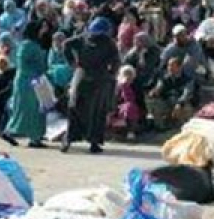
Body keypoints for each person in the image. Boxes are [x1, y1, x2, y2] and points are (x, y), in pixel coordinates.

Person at [62, 16, 120, 154]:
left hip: (99, 80)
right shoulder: (83, 38)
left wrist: (112, 73)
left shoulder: (108, 43)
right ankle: (70, 138)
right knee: (75, 108)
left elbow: (116, 60)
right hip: (85, 77)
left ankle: (94, 142)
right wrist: (72, 62)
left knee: (97, 112)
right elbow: (66, 45)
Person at [3, 21, 49, 148]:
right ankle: (34, 138)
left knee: (23, 108)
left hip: (26, 79)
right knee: (33, 109)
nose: (43, 31)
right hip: (30, 80)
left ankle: (11, 131)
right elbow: (31, 64)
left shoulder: (25, 44)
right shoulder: (30, 46)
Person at [147, 56, 195, 131]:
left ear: (179, 67)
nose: (169, 68)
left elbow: (187, 93)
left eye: (172, 65)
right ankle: (160, 126)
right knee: (153, 103)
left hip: (181, 103)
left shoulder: (187, 79)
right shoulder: (164, 78)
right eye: (169, 65)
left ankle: (183, 126)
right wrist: (154, 91)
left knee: (187, 109)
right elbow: (159, 87)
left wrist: (179, 103)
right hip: (167, 102)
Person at [124, 31, 161, 111]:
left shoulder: (154, 51)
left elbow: (147, 67)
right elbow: (126, 63)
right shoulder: (133, 52)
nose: (136, 43)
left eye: (139, 41)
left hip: (152, 77)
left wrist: (142, 55)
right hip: (136, 77)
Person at [110, 65, 142, 140]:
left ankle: (130, 131)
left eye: (130, 74)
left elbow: (139, 98)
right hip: (118, 106)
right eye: (126, 74)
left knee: (130, 107)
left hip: (134, 107)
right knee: (128, 107)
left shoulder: (136, 85)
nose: (128, 76)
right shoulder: (118, 85)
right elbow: (115, 98)